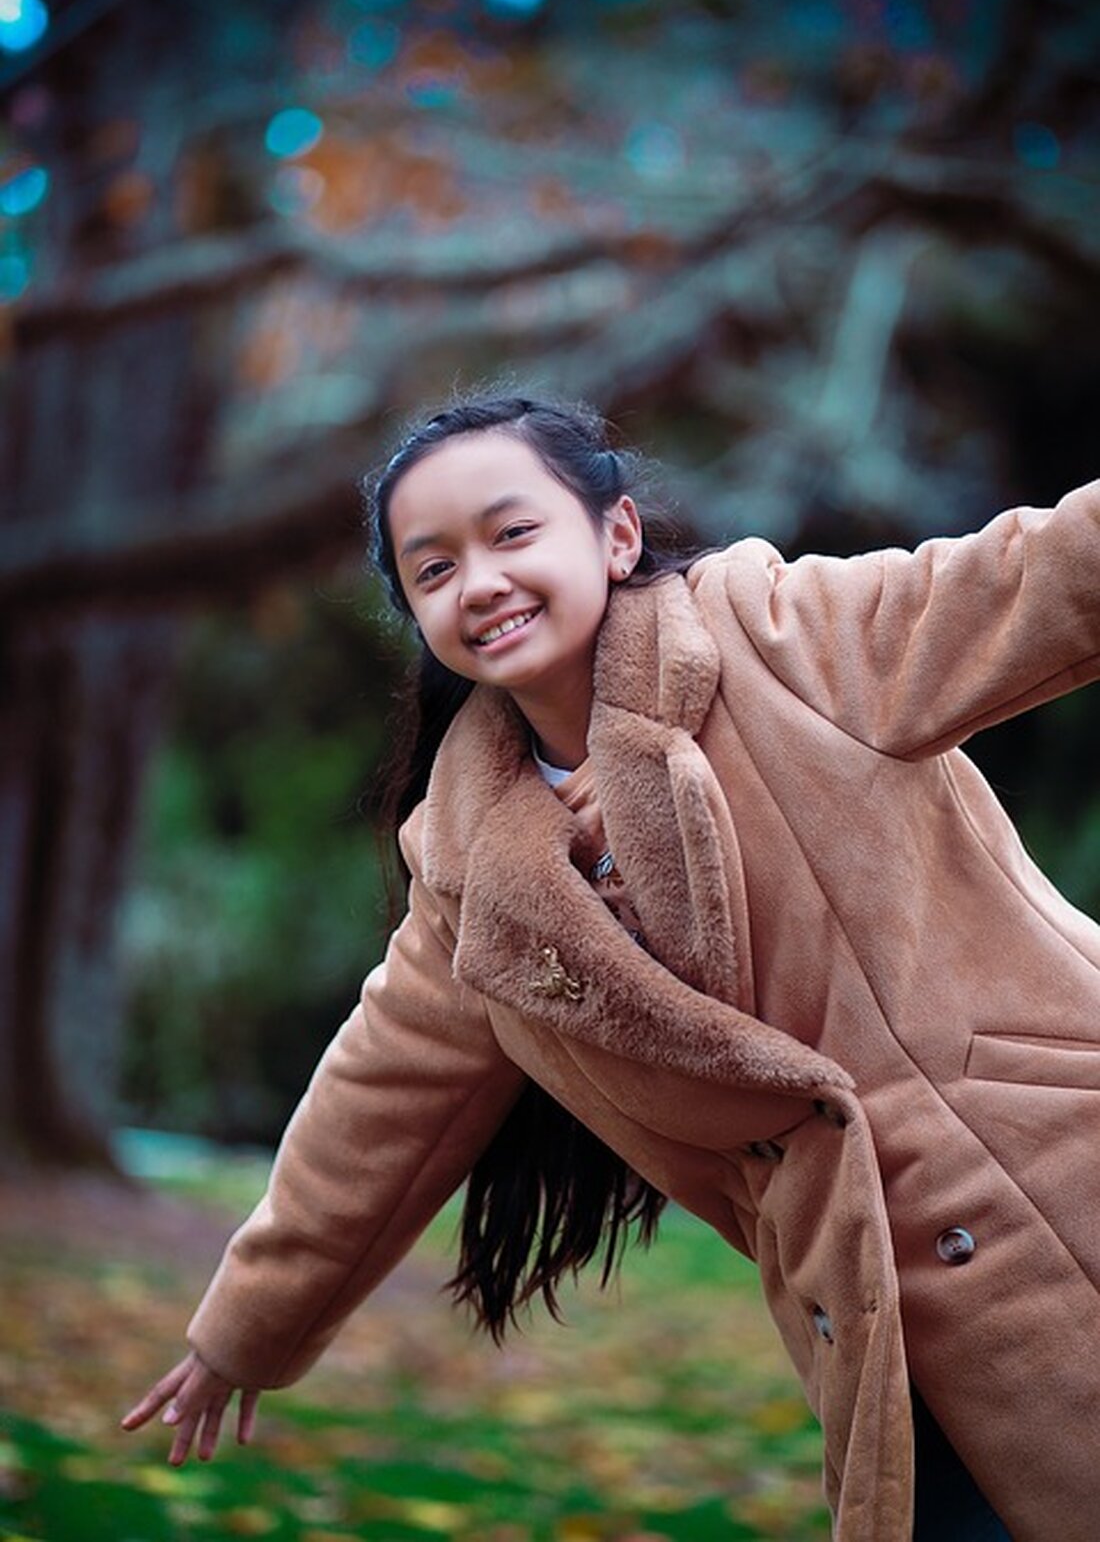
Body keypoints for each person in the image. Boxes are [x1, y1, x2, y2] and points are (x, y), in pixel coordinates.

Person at [123, 395, 1100, 1541]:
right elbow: (374, 1111)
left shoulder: (779, 638)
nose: (477, 582)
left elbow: (1031, 581)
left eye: (511, 533)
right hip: (886, 1319)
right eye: (431, 570)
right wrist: (241, 1330)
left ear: (617, 537)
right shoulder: (470, 869)